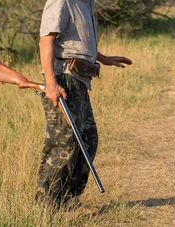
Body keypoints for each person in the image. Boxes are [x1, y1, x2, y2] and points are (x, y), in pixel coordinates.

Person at [36, 0, 133, 208]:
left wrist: (103, 58)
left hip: (79, 81)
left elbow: (75, 42)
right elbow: (46, 41)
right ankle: (48, 205)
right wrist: (51, 84)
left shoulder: (86, 3)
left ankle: (69, 200)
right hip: (64, 80)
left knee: (87, 140)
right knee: (64, 144)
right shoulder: (62, 1)